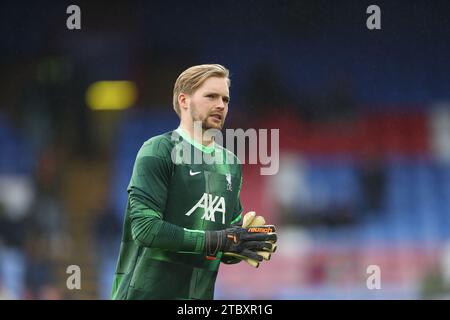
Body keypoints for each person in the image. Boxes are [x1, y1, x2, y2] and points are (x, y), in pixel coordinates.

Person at [111, 64, 276, 300]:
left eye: (226, 99)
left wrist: (241, 244)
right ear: (184, 100)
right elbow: (146, 230)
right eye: (211, 96)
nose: (221, 105)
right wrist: (217, 240)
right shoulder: (159, 149)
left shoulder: (230, 163)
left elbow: (222, 240)